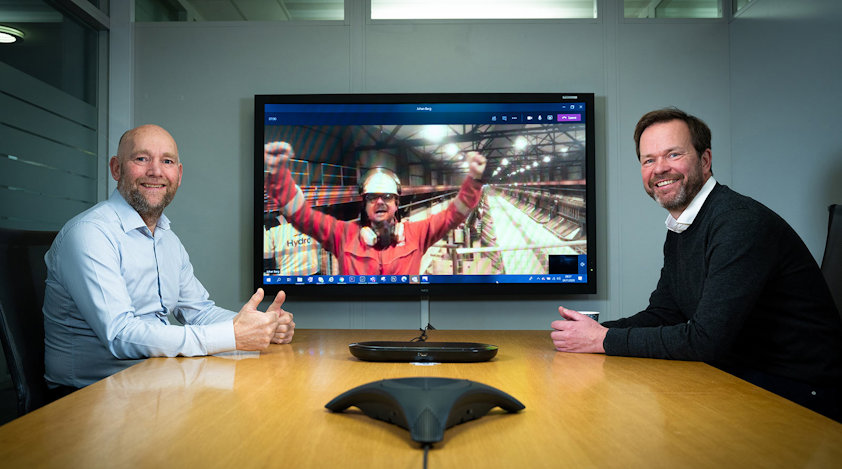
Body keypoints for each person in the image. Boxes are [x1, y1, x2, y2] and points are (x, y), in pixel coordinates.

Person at [550, 108, 842, 421]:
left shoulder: (738, 223)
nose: (660, 169)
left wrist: (602, 340)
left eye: (673, 154)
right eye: (648, 160)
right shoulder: (682, 226)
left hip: (799, 392)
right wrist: (591, 332)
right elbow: (665, 312)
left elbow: (705, 341)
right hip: (742, 374)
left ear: (705, 160)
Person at [43, 124, 295, 390]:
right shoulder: (90, 234)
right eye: (141, 158)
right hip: (87, 397)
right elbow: (121, 335)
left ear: (179, 173)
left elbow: (198, 312)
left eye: (167, 161)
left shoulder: (167, 238)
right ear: (116, 168)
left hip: (151, 381)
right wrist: (231, 336)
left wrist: (260, 326)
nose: (156, 171)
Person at [263, 141, 486, 275]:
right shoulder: (343, 235)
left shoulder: (417, 234)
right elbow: (301, 216)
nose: (380, 202)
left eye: (387, 197)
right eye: (372, 198)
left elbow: (454, 215)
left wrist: (474, 180)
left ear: (397, 203)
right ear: (365, 203)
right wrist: (277, 174)